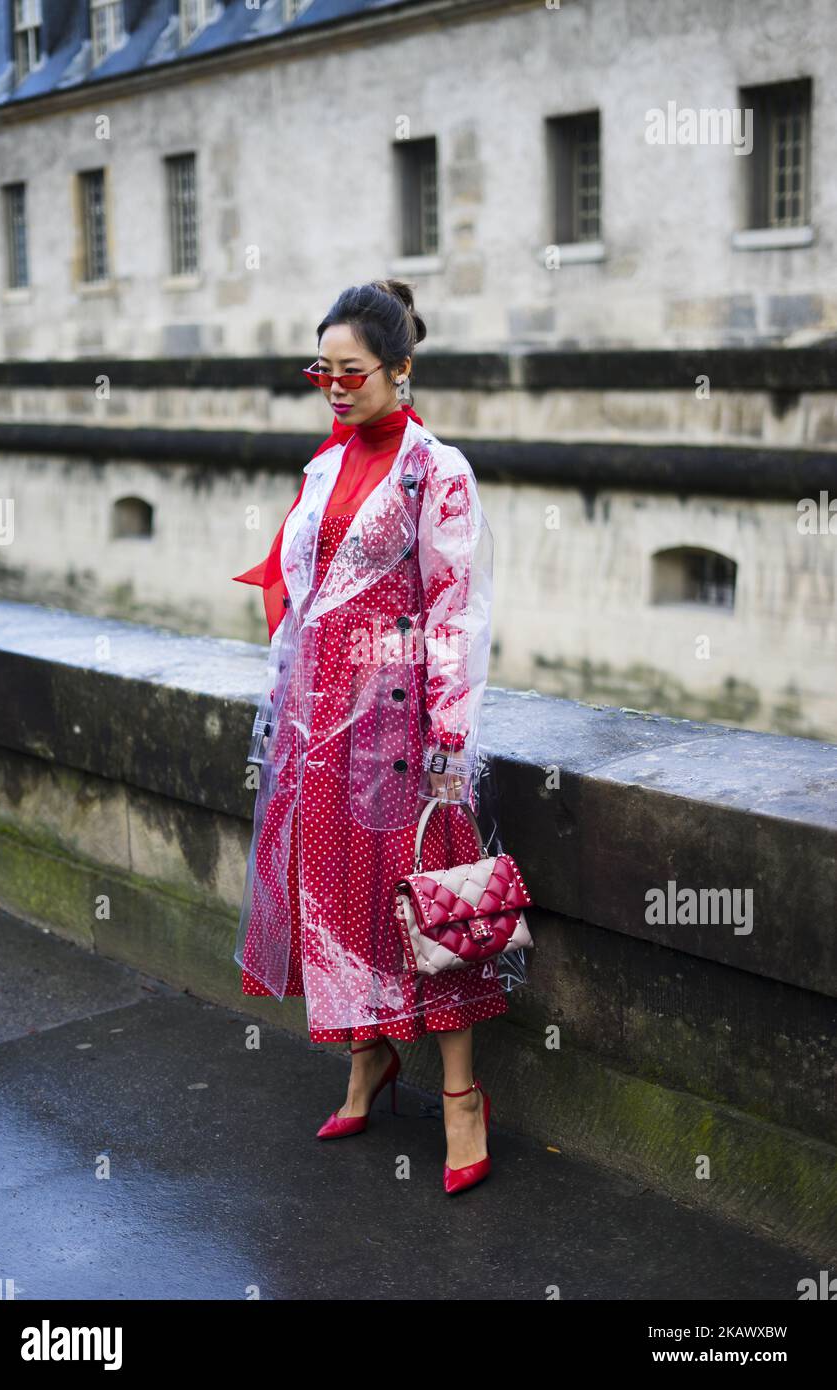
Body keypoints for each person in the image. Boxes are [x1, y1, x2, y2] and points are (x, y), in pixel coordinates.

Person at [232, 279, 524, 1193]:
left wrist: (449, 740)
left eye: (350, 371)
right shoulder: (323, 469)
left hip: (402, 739)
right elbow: (302, 595)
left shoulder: (439, 473)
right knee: (337, 904)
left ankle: (462, 1099)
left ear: (400, 369)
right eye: (322, 369)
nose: (333, 385)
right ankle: (367, 1060)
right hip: (322, 732)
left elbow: (457, 614)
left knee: (427, 911)